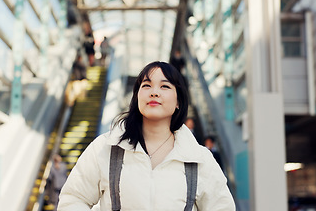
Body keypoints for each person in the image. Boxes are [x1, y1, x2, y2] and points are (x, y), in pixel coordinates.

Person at [58, 61, 235, 210]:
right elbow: (73, 199)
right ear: (137, 97)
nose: (154, 92)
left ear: (178, 102)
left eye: (165, 86)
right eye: (146, 85)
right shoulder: (106, 148)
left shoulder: (199, 159)